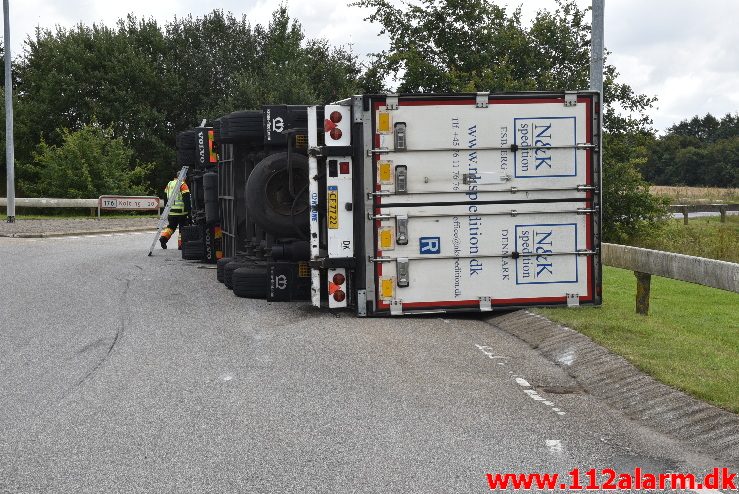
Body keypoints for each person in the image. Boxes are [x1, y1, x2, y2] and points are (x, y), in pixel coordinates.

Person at [160, 175, 191, 249]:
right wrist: (189, 212)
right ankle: (181, 245)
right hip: (181, 212)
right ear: (184, 177)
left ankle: (163, 238)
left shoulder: (169, 184)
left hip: (171, 212)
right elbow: (186, 200)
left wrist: (166, 209)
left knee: (171, 227)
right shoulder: (183, 184)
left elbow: (165, 197)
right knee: (183, 228)